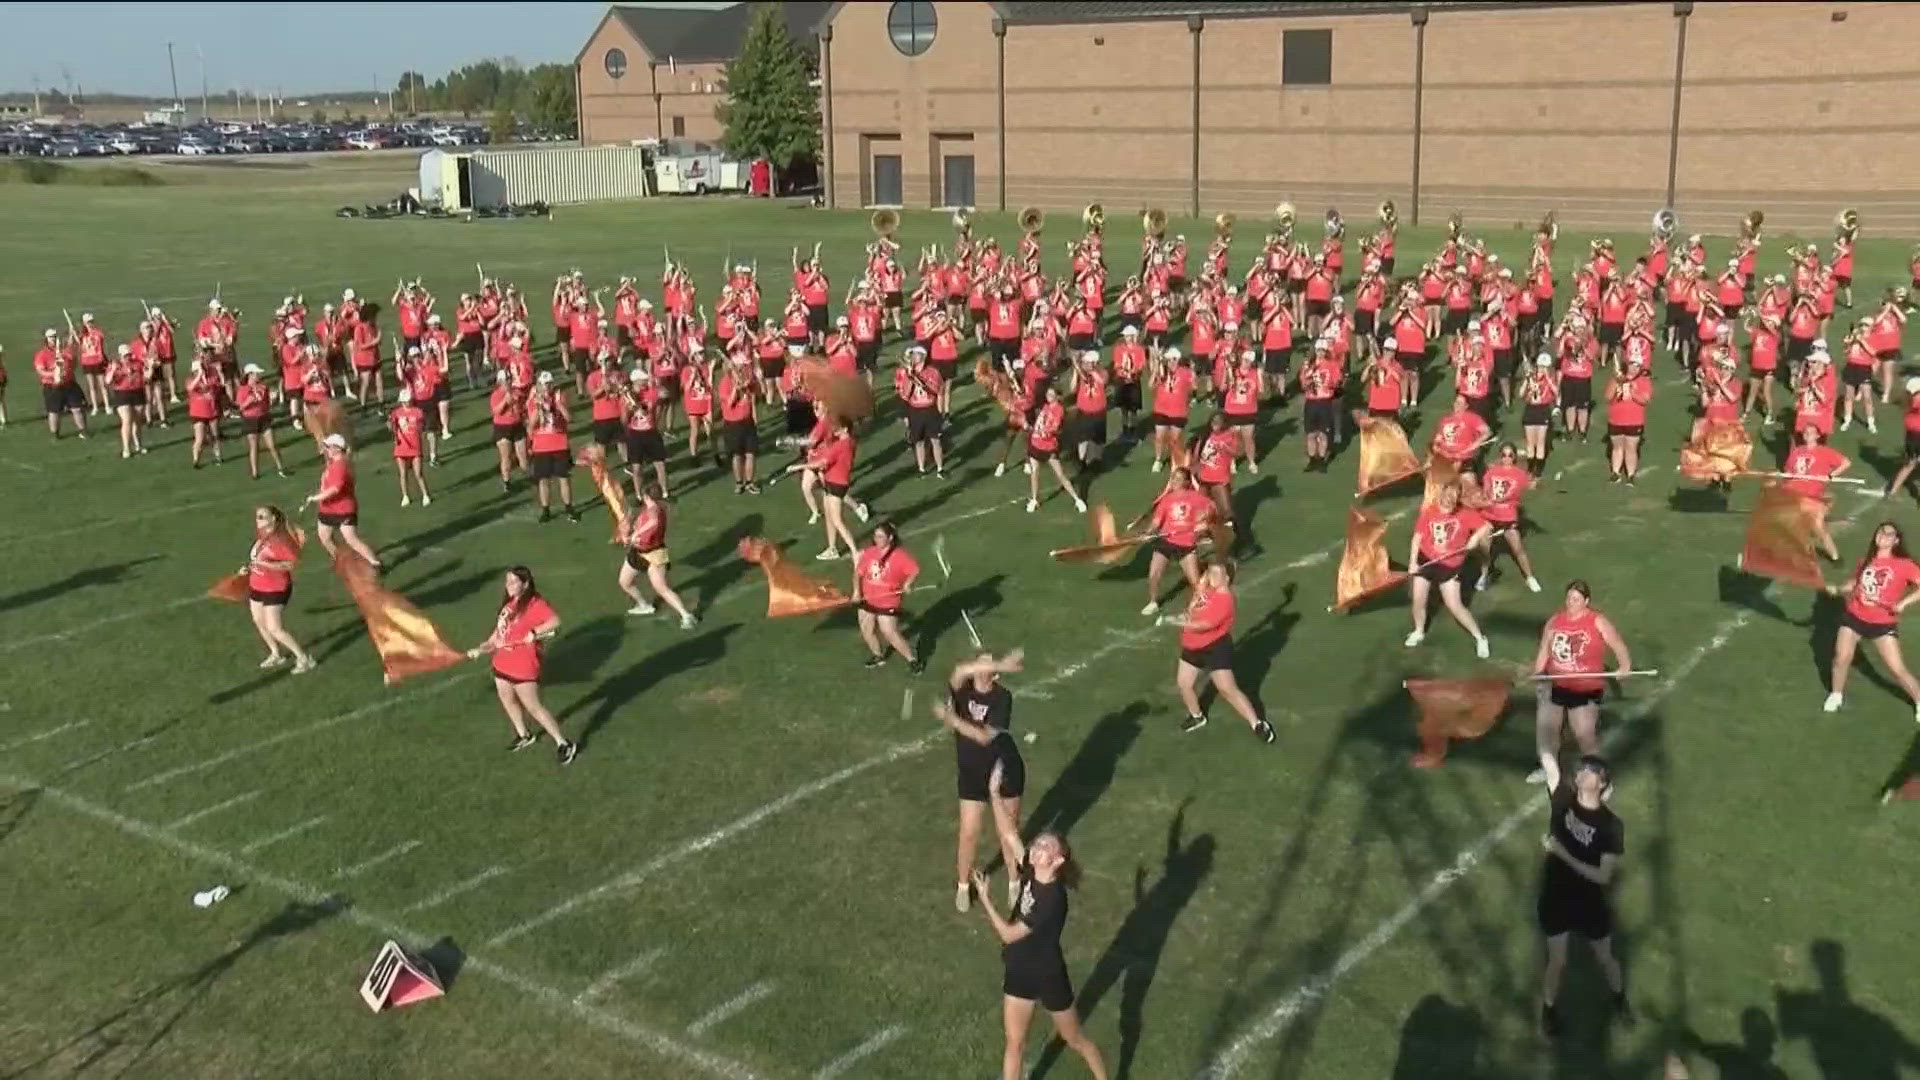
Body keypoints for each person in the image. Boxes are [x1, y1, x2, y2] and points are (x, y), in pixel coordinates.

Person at [970, 833, 1112, 1080]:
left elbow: (1008, 934)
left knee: (1074, 1038)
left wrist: (985, 898)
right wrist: (995, 794)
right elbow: (1009, 834)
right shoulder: (1033, 870)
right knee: (1014, 1044)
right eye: (1036, 843)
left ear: (1058, 861)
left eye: (1046, 846)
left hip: (1048, 975)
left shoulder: (1051, 899)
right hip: (1019, 970)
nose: (1036, 848)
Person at [1538, 755, 1629, 1039]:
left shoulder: (1611, 826)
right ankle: (1548, 1011)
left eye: (1591, 772)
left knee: (1606, 958)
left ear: (1602, 783)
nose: (1581, 774)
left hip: (1588, 902)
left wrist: (1562, 853)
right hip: (1556, 896)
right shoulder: (1563, 799)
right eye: (1581, 770)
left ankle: (1619, 998)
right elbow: (1549, 760)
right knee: (1557, 960)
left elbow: (1603, 876)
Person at [938, 649, 1028, 912]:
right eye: (978, 662)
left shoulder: (1003, 697)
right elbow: (957, 671)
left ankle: (1014, 882)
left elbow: (984, 737)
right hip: (972, 772)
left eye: (987, 665)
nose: (979, 667)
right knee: (968, 833)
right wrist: (995, 662)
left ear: (996, 674)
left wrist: (952, 719)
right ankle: (963, 886)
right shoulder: (962, 688)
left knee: (1008, 832)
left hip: (1002, 770)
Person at [467, 566, 578, 764]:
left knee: (534, 707)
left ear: (525, 584)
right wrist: (482, 647)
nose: (508, 585)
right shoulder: (510, 604)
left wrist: (534, 633)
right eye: (507, 581)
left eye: (513, 582)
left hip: (523, 666)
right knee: (507, 699)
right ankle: (524, 735)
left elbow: (555, 621)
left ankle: (563, 742)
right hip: (502, 662)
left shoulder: (535, 604)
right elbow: (498, 633)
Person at [1531, 580, 1632, 791]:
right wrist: (1539, 675)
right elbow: (1544, 651)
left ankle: (1602, 780)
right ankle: (1549, 768)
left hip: (1585, 689)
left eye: (1576, 599)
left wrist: (1625, 666)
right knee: (1548, 733)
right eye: (1569, 597)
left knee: (1585, 738)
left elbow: (1618, 644)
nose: (1571, 602)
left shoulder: (1597, 621)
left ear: (1586, 601)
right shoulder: (1555, 621)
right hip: (1556, 684)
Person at [1166, 558, 1274, 741]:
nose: (1212, 576)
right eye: (1211, 573)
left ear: (1227, 578)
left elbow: (1204, 624)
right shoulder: (1207, 589)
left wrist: (1180, 621)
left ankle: (1257, 723)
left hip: (1214, 647)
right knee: (1184, 684)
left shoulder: (1225, 600)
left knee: (1227, 689)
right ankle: (1197, 716)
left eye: (1217, 574)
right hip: (1192, 645)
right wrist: (1190, 608)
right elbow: (1197, 594)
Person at [1822, 521, 1920, 718]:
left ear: (1896, 540)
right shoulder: (1866, 560)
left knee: (1897, 669)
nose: (1882, 535)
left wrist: (1902, 605)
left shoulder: (1904, 565)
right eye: (1880, 532)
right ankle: (1836, 694)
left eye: (1888, 533)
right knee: (1841, 658)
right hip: (1854, 617)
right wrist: (1840, 588)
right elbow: (1855, 583)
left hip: (1882, 624)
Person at [1407, 481, 1493, 657]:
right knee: (1418, 600)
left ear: (1457, 499)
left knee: (1454, 605)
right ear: (1442, 493)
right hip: (1426, 561)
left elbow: (1487, 527)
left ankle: (1480, 638)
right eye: (1446, 497)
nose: (1448, 502)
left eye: (1452, 499)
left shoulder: (1465, 514)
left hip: (1449, 566)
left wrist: (1474, 539)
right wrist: (1412, 563)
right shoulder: (1430, 510)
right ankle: (1419, 631)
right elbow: (1417, 538)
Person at [241, 505, 314, 674]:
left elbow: (291, 564)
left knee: (275, 628)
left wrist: (265, 564)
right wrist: (248, 568)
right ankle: (275, 654)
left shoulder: (280, 540)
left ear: (273, 518)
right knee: (259, 621)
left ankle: (304, 658)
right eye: (257, 516)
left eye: (262, 516)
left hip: (276, 588)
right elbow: (257, 556)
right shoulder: (262, 533)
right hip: (257, 584)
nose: (257, 519)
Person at [617, 483, 698, 629]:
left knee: (661, 588)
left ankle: (686, 615)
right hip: (638, 552)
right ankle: (643, 605)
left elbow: (653, 522)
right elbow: (635, 519)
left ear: (646, 496)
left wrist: (636, 533)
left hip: (655, 554)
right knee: (625, 582)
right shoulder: (650, 508)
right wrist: (628, 531)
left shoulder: (655, 510)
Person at [1140, 466, 1212, 616]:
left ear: (1186, 482)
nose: (1173, 482)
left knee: (1194, 579)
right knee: (1154, 574)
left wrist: (1203, 525)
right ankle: (1153, 602)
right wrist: (1148, 533)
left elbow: (1209, 512)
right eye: (1173, 478)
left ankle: (1202, 601)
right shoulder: (1166, 499)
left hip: (1186, 543)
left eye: (1178, 479)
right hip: (1166, 541)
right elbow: (1156, 522)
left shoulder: (1197, 498)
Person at [305, 433, 383, 569]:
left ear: (336, 449)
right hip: (327, 509)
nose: (326, 450)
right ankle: (340, 560)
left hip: (343, 510)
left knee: (351, 539)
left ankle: (375, 563)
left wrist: (315, 498)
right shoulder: (334, 463)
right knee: (324, 537)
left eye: (328, 447)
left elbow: (335, 489)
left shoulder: (341, 466)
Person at [853, 521, 923, 671]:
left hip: (888, 601)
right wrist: (856, 592)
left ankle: (912, 660)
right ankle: (878, 656)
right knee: (867, 630)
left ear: (890, 538)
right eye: (875, 536)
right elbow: (858, 574)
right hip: (867, 598)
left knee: (889, 632)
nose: (876, 539)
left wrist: (907, 584)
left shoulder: (900, 556)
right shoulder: (870, 552)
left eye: (880, 536)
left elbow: (914, 570)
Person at [1474, 444, 1542, 592]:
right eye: (1504, 455)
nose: (1506, 458)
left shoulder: (1519, 474)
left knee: (1518, 549)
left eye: (1510, 455)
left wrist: (1537, 482)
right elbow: (1485, 491)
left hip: (1507, 518)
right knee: (1485, 548)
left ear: (1515, 457)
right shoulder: (1492, 472)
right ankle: (1484, 576)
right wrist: (1486, 499)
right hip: (1489, 515)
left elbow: (1532, 485)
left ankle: (1530, 577)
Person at [527, 372, 581, 522]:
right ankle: (546, 509)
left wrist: (558, 406)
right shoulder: (534, 400)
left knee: (564, 477)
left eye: (549, 384)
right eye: (544, 384)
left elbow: (569, 418)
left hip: (559, 443)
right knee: (543, 479)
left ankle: (569, 507)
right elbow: (532, 424)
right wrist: (540, 408)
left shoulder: (559, 397)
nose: (547, 387)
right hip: (541, 446)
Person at [1025, 384, 1088, 514]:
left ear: (1057, 397)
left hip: (1048, 447)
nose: (1048, 397)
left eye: (1051, 395)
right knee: (1034, 472)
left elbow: (1054, 427)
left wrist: (1045, 432)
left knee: (1060, 474)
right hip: (1035, 443)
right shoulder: (1046, 407)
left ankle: (1077, 499)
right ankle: (1034, 499)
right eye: (1048, 394)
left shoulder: (1058, 410)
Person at [235, 364, 286, 479]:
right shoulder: (243, 390)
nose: (259, 375)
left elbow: (267, 404)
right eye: (256, 373)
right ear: (250, 375)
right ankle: (255, 472)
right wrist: (248, 402)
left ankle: (281, 467)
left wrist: (273, 400)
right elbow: (240, 407)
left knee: (272, 444)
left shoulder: (263, 386)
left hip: (264, 417)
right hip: (250, 419)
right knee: (254, 447)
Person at [389, 387, 432, 507]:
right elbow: (392, 427)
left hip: (414, 446)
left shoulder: (418, 412)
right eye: (405, 401)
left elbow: (422, 427)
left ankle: (425, 495)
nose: (407, 403)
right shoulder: (396, 413)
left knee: (418, 473)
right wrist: (391, 428)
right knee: (403, 474)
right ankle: (405, 496)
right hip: (401, 447)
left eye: (408, 400)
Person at [488, 368, 529, 492]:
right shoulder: (496, 395)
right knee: (505, 457)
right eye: (506, 380)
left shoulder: (517, 392)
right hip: (502, 427)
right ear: (500, 382)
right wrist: (505, 401)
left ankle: (528, 475)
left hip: (517, 425)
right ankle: (507, 481)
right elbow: (496, 411)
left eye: (509, 379)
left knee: (523, 456)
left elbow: (523, 406)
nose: (509, 382)